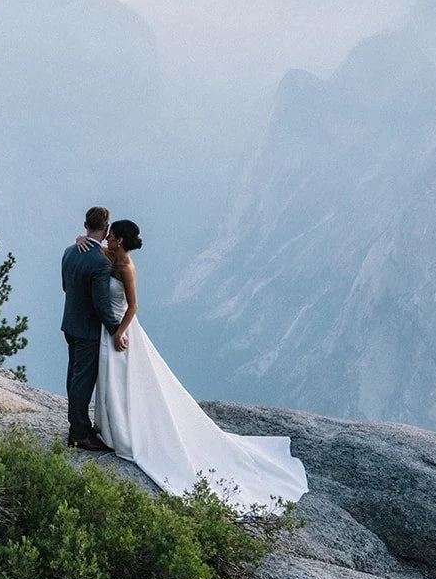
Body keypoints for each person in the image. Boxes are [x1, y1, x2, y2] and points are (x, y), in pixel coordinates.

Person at [81, 218, 308, 512]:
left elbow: (134, 306)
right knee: (113, 379)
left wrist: (120, 332)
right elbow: (95, 250)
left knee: (124, 380)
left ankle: (125, 431)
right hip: (110, 329)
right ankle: (114, 428)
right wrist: (80, 239)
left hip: (121, 331)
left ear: (120, 241)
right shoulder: (111, 255)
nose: (106, 238)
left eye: (110, 236)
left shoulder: (126, 267)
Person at [60, 206, 124, 450]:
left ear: (84, 225)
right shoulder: (100, 262)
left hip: (70, 323)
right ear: (106, 228)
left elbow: (66, 287)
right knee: (83, 381)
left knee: (73, 377)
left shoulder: (69, 252)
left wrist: (79, 239)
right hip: (88, 329)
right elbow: (102, 305)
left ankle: (80, 424)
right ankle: (78, 433)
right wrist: (115, 330)